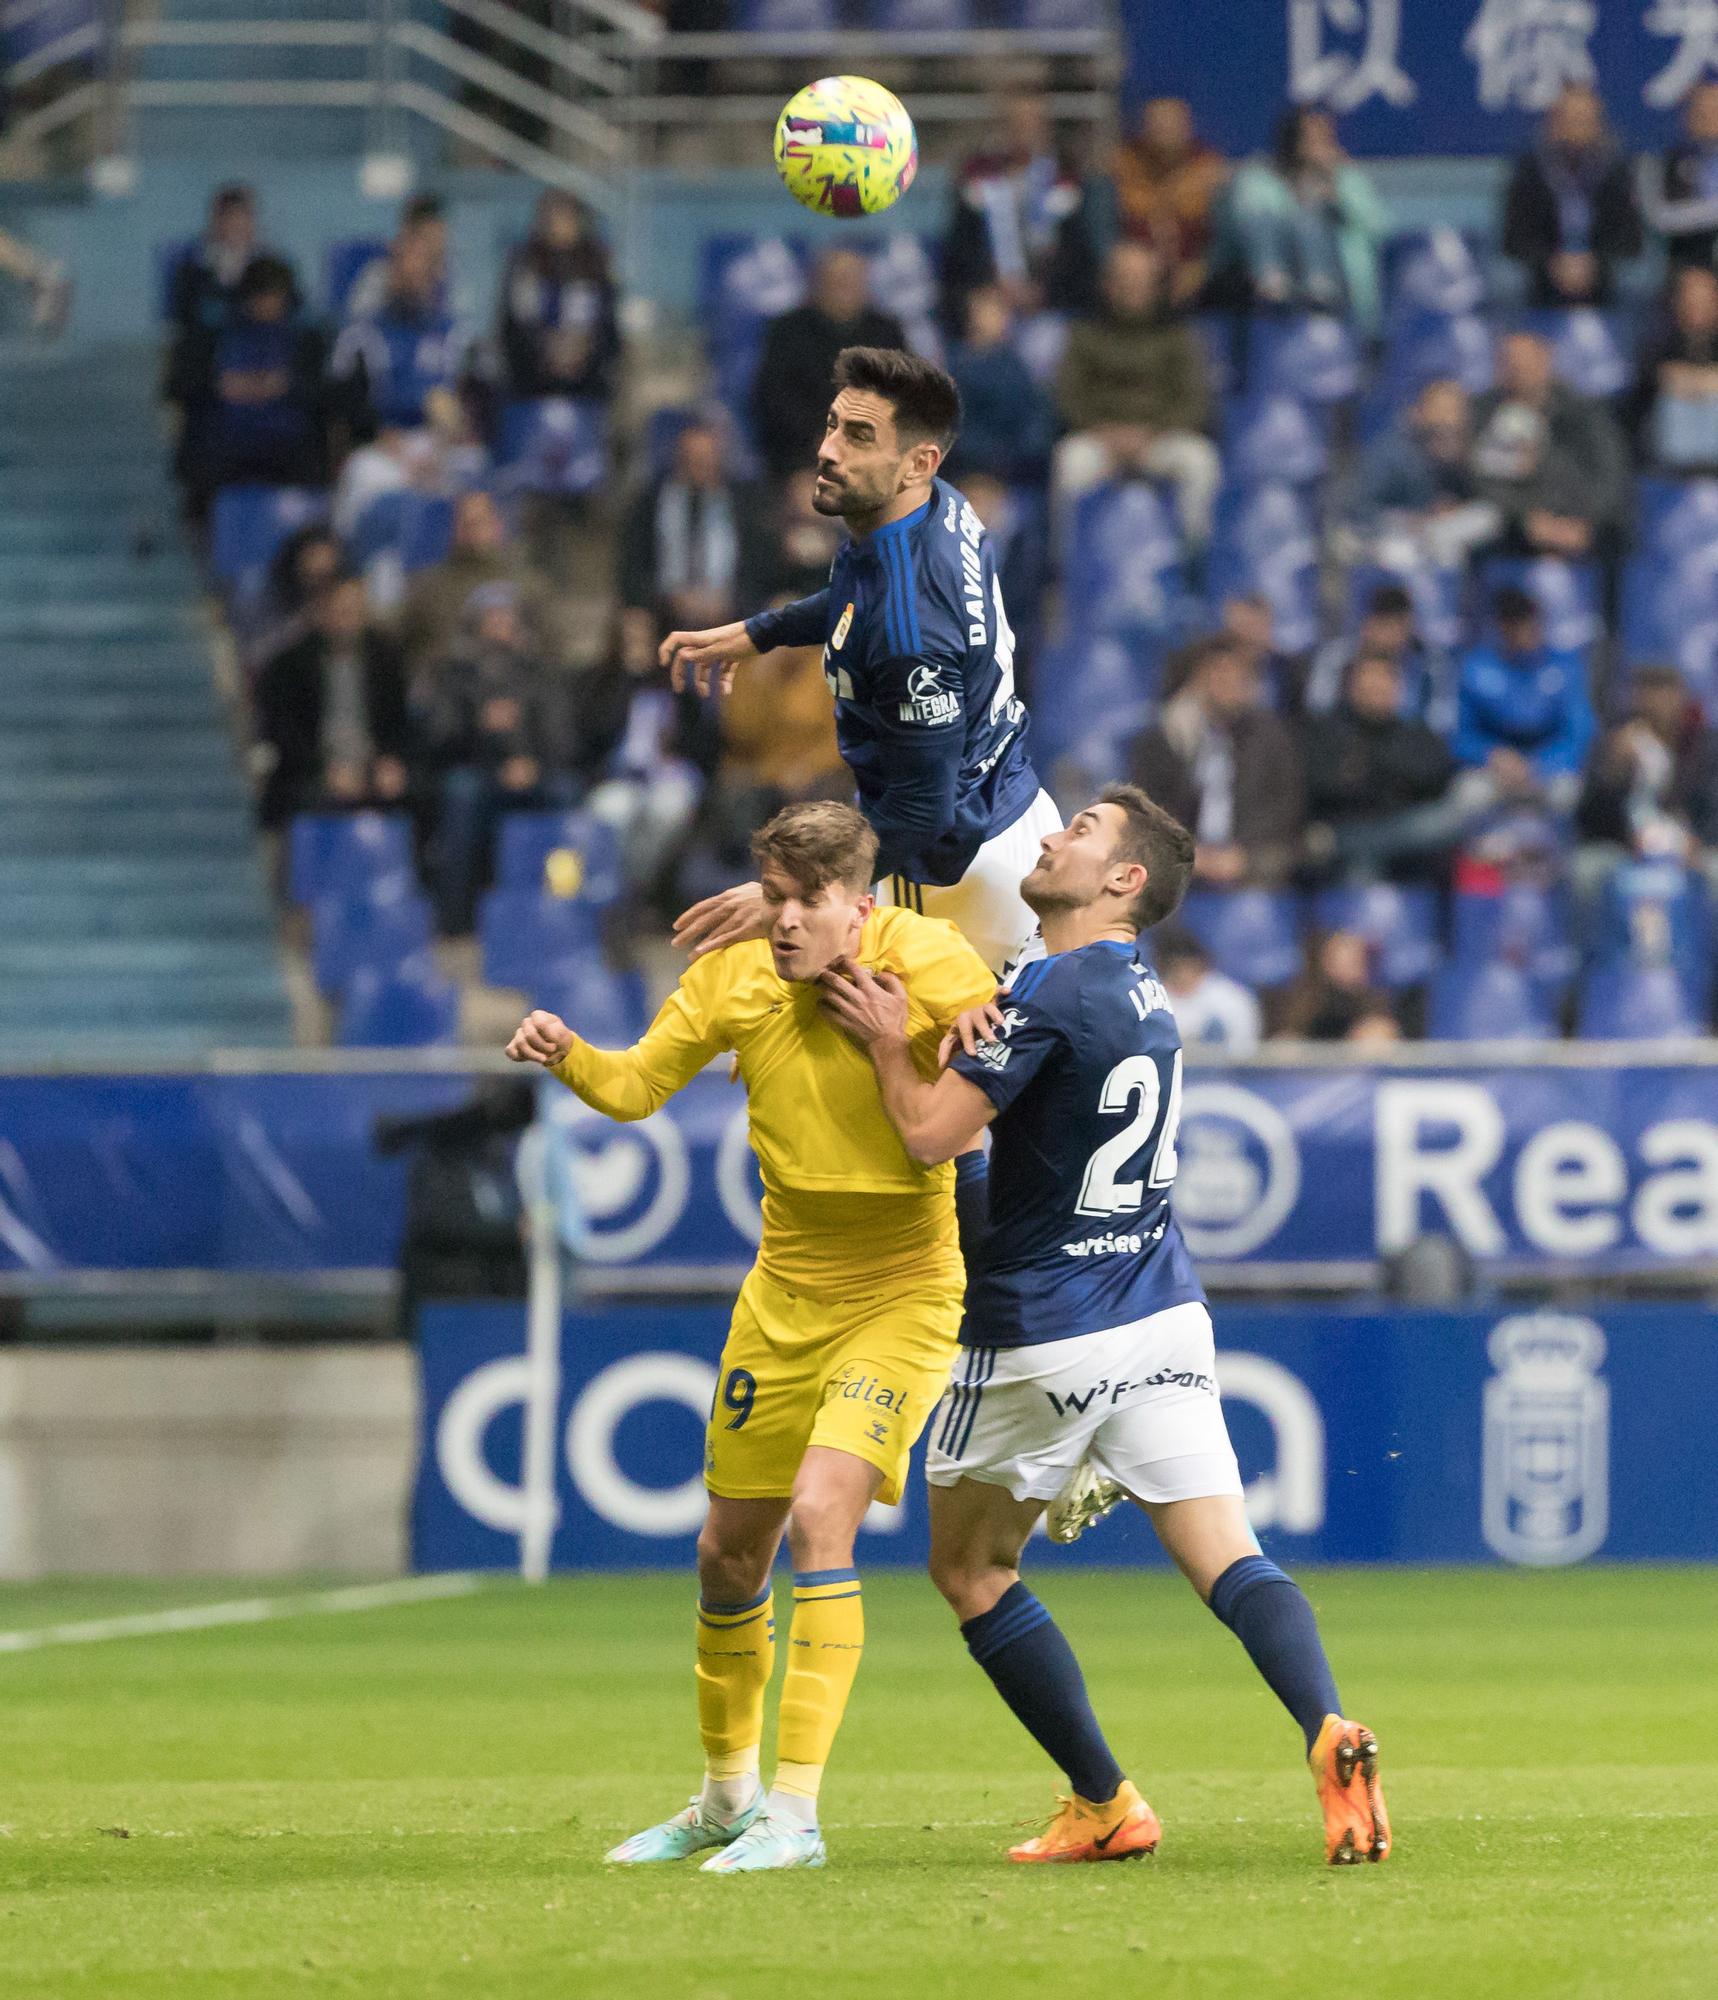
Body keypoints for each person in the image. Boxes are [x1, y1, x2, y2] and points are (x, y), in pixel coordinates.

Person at [818, 790, 1390, 1868]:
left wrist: (897, 1045)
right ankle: (1325, 1722)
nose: (1047, 835)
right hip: (1161, 1311)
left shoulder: (1048, 982)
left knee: (972, 1569)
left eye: (1077, 830)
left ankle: (1103, 1797)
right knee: (1230, 1556)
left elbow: (933, 1136)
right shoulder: (1143, 993)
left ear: (1125, 880)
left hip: (1040, 1325)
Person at [506, 800, 997, 1872]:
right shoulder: (733, 975)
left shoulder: (927, 958)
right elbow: (636, 1087)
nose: (779, 921)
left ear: (856, 906)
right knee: (727, 1553)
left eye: (804, 900)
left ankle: (796, 1810)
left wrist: (980, 1031)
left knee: (824, 1513)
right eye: (769, 896)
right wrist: (567, 1053)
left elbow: (1001, 1033)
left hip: (902, 1289)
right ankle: (726, 1795)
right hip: (780, 1297)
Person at [662, 345, 1058, 984]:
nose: (828, 450)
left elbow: (924, 812)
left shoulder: (912, 636)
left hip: (958, 869)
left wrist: (787, 897)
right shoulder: (933, 507)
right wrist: (762, 632)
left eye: (859, 437)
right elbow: (862, 598)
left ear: (917, 462)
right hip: (994, 796)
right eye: (832, 426)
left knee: (934, 1076)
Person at [417, 582, 571, 934]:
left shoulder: (540, 670)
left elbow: (561, 733)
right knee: (461, 792)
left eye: (508, 616)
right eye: (492, 616)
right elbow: (438, 737)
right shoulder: (452, 671)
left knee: (566, 794)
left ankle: (562, 910)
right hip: (477, 770)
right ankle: (455, 918)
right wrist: (479, 725)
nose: (501, 624)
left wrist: (535, 765)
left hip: (535, 770)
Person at [1052, 241, 1220, 553]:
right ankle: (1070, 571)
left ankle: (1192, 565)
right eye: (1124, 279)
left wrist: (1151, 434)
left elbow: (1195, 402)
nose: (1133, 288)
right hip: (1100, 440)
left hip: (1159, 439)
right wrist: (1104, 432)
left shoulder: (1179, 336)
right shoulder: (1084, 334)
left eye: (1141, 280)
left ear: (1156, 285)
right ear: (1108, 284)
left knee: (1200, 461)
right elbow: (1068, 398)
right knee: (1069, 462)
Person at [1127, 634, 1304, 888]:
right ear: (1199, 678)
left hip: (1249, 853)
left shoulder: (1271, 738)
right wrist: (1190, 851)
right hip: (1181, 854)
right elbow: (1148, 803)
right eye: (1218, 674)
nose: (1227, 684)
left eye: (1237, 677)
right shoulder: (1170, 734)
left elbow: (1284, 807)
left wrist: (1240, 854)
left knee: (1280, 861)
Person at [168, 255, 329, 519]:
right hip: (226, 444)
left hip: (287, 444)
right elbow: (181, 386)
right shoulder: (214, 337)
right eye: (262, 295)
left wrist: (274, 387)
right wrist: (222, 387)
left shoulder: (306, 339)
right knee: (201, 460)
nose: (268, 304)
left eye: (276, 296)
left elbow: (319, 390)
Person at [253, 570, 413, 829]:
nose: (348, 618)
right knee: (310, 798)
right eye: (340, 609)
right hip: (311, 769)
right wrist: (325, 770)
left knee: (416, 793)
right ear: (321, 610)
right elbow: (283, 732)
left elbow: (399, 723)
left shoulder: (385, 659)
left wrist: (390, 761)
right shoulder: (289, 665)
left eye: (355, 609)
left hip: (372, 765)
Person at [616, 418, 775, 677]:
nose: (700, 468)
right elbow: (631, 567)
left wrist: (729, 599)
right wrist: (668, 597)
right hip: (663, 610)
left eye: (707, 460)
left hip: (733, 610)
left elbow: (763, 566)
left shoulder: (745, 505)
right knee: (635, 630)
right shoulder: (650, 503)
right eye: (691, 460)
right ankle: (646, 708)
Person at [1216, 106, 1388, 334]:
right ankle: (1276, 286)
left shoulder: (1345, 178)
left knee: (1311, 219)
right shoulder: (1258, 176)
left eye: (1325, 137)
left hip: (1346, 294)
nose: (1318, 145)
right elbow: (1245, 221)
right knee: (1297, 219)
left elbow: (1380, 229)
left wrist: (1335, 190)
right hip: (1272, 292)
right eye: (1309, 137)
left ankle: (1320, 289)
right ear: (1290, 139)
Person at [939, 90, 1097, 337]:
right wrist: (988, 287)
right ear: (1003, 126)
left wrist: (1044, 292)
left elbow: (1079, 254)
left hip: (1051, 304)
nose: (1025, 130)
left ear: (1046, 126)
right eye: (1017, 122)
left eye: (1032, 121)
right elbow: (961, 250)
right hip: (990, 299)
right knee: (985, 330)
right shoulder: (976, 177)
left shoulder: (1067, 177)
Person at [1469, 330, 1630, 559]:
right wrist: (1526, 519)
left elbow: (1609, 479)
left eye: (1525, 362)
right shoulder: (1485, 415)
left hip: (1584, 527)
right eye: (1509, 363)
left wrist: (1577, 522)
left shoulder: (1585, 415)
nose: (1518, 371)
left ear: (1546, 359)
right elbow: (1482, 479)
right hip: (1514, 532)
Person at [750, 250, 905, 485]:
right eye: (836, 281)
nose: (844, 288)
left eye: (852, 280)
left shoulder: (886, 332)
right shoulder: (788, 331)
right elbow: (775, 399)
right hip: (801, 455)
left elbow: (901, 395)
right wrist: (826, 437)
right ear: (817, 283)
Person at [1303, 648, 1459, 880]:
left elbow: (1436, 778)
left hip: (1405, 831)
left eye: (1384, 681)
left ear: (1397, 688)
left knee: (1458, 809)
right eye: (1368, 682)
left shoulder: (1415, 733)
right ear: (1350, 687)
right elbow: (1324, 786)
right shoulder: (1326, 732)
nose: (1375, 688)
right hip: (1347, 830)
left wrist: (1370, 769)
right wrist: (1392, 781)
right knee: (1359, 867)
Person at [1575, 663, 1718, 902]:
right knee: (1585, 870)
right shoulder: (1611, 742)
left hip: (1690, 842)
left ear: (1681, 696)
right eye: (1648, 693)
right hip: (1624, 844)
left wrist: (1697, 840)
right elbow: (1587, 817)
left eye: (1665, 692)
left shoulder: (1705, 745)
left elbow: (1713, 806)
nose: (1657, 703)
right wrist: (1615, 770)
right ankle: (1582, 941)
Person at [395, 489, 563, 685]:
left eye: (480, 521)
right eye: (465, 523)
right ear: (454, 530)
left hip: (519, 696)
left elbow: (554, 647)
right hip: (449, 698)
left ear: (497, 525)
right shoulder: (430, 588)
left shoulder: (530, 585)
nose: (473, 529)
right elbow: (405, 643)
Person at [1452, 585, 1596, 813]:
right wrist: (1491, 755)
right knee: (1468, 795)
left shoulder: (1564, 667)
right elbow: (1460, 735)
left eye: (1529, 622)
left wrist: (1539, 764)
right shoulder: (1476, 668)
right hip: (1494, 769)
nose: (1524, 631)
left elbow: (1579, 732)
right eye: (1514, 624)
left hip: (1547, 771)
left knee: (1567, 793)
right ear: (1501, 627)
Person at [330, 220, 478, 440]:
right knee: (368, 470)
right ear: (391, 271)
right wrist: (382, 437)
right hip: (383, 443)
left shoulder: (458, 335)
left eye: (421, 266)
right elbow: (342, 410)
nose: (413, 274)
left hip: (441, 445)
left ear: (435, 273)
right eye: (405, 265)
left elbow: (478, 406)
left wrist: (456, 429)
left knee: (471, 464)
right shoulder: (362, 336)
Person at [1343, 379, 1500, 576]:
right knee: (1403, 554)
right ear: (1419, 411)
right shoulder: (1390, 452)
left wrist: (1460, 468)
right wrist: (1410, 521)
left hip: (1436, 535)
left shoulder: (1464, 452)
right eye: (1441, 409)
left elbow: (1476, 501)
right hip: (1387, 539)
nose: (1448, 419)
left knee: (1485, 519)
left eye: (1455, 410)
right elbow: (1359, 510)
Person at [1502, 85, 1641, 308]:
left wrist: (1593, 264)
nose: (1577, 129)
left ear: (1599, 125)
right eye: (1570, 120)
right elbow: (1514, 239)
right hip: (1543, 277)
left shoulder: (1616, 172)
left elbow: (1630, 239)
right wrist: (1554, 263)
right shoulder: (1530, 171)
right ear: (1553, 123)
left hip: (1603, 277)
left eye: (1585, 121)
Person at [497, 189, 621, 405]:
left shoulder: (596, 269)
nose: (559, 226)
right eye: (552, 219)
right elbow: (512, 327)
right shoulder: (524, 267)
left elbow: (609, 332)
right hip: (532, 388)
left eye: (566, 218)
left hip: (585, 388)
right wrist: (545, 351)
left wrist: (584, 351)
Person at [1109, 96, 1228, 308]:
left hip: (1196, 276)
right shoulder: (1122, 166)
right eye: (1157, 124)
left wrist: (1201, 268)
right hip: (1135, 276)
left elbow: (1221, 237)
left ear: (1187, 128)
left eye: (1171, 124)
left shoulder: (1209, 171)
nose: (1164, 131)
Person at [945, 285, 1056, 486]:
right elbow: (952, 428)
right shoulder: (954, 366)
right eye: (988, 311)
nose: (999, 318)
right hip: (964, 469)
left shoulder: (1015, 366)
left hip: (1011, 470)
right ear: (970, 317)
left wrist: (1011, 461)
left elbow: (1032, 421)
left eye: (1001, 311)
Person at [1305, 581, 1449, 724]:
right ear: (1367, 624)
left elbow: (1440, 719)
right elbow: (1318, 710)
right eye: (1385, 624)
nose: (1392, 635)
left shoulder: (1428, 664)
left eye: (1399, 625)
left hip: (1407, 741)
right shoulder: (1336, 659)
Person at [1629, 265, 1718, 476]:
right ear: (1676, 301)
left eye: (1704, 298)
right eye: (1689, 297)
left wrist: (1693, 381)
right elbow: (1659, 378)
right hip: (1666, 448)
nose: (1695, 305)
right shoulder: (1660, 340)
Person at [165, 183, 261, 340]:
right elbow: (178, 316)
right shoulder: (192, 262)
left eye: (241, 217)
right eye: (229, 217)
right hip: (207, 341)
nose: (235, 224)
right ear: (216, 220)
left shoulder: (266, 262)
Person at [1645, 80, 1718, 276]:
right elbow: (1660, 218)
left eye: (1716, 112)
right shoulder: (1671, 162)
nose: (1710, 120)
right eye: (1702, 112)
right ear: (1687, 117)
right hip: (1688, 260)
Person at [1156, 926, 1262, 1052]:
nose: (1181, 973)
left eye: (1187, 966)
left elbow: (1245, 1050)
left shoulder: (1230, 997)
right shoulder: (1153, 997)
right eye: (1174, 967)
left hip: (1222, 1069)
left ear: (1200, 964)